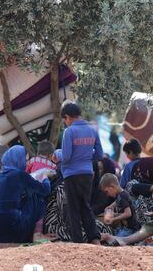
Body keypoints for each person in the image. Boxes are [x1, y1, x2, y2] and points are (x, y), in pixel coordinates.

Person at [53, 101, 103, 244]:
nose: (65, 122)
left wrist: (57, 153)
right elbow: (99, 154)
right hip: (88, 173)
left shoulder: (69, 131)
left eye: (65, 119)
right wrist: (86, 159)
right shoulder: (93, 130)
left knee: (73, 209)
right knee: (85, 207)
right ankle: (94, 239)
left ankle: (78, 242)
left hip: (71, 175)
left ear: (67, 117)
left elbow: (67, 156)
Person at [0, 145, 51, 243]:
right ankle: (37, 234)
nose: (26, 163)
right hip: (15, 234)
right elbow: (45, 190)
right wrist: (45, 177)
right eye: (25, 160)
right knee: (37, 195)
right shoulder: (20, 175)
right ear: (18, 160)